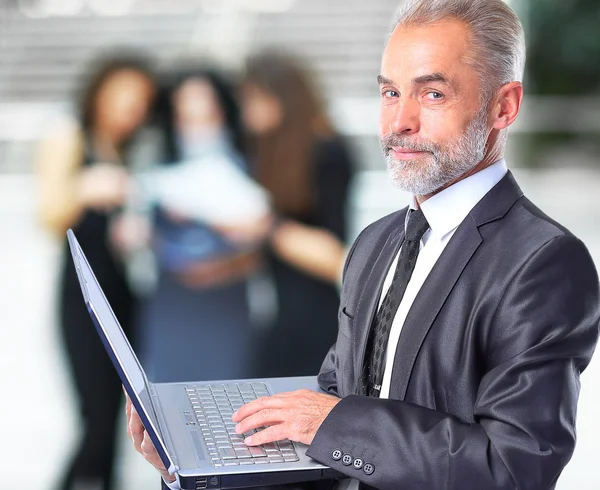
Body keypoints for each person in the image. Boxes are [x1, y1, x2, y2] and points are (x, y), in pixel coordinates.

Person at [128, 1, 600, 489]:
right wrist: (198, 465)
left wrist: (330, 423)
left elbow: (513, 468)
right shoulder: (375, 244)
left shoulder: (543, 262)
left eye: (432, 93)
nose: (399, 122)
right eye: (391, 92)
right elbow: (333, 431)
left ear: (504, 106)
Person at [37, 54, 155, 490]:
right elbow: (49, 216)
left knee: (117, 425)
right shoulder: (69, 135)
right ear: (100, 90)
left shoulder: (127, 150)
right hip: (84, 299)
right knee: (96, 419)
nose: (132, 107)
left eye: (142, 100)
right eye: (124, 93)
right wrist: (86, 188)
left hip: (123, 295)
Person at [130, 67, 270, 383]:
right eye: (186, 116)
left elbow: (263, 239)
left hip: (225, 309)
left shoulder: (250, 166)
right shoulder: (156, 174)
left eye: (206, 114)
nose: (197, 127)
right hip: (173, 309)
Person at [240, 52, 354, 377]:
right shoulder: (269, 152)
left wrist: (269, 229)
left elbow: (334, 255)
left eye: (254, 101)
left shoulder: (327, 151)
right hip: (278, 314)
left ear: (282, 99)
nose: (247, 114)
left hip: (314, 320)